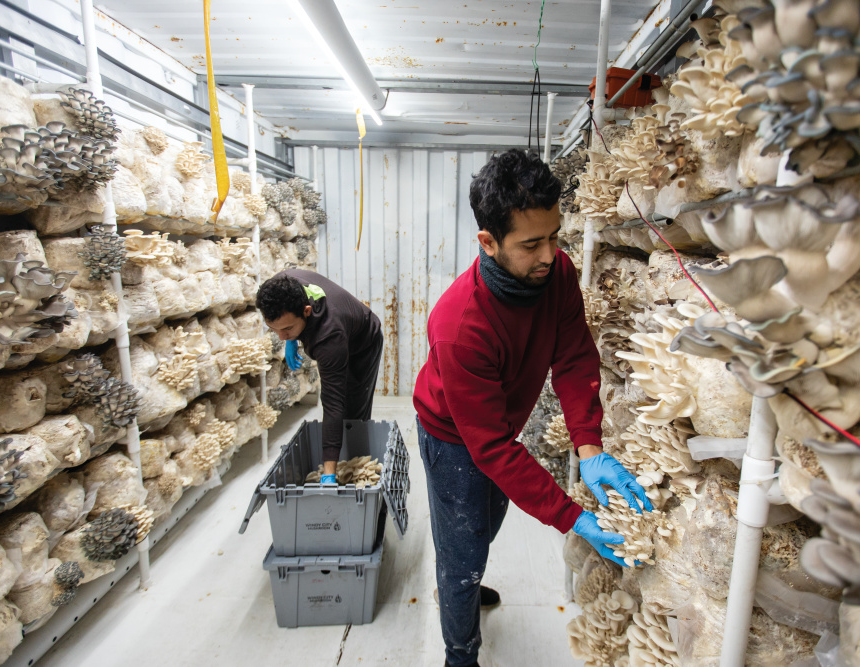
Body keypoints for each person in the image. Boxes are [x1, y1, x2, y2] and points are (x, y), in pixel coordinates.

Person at [413, 149, 651, 667]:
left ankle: (463, 578)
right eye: (531, 244)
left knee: (488, 519)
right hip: (453, 435)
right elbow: (491, 448)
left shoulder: (556, 274)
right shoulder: (461, 327)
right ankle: (459, 650)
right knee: (463, 550)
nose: (549, 254)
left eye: (555, 236)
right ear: (488, 242)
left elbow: (573, 357)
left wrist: (590, 450)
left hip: (499, 425)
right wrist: (572, 517)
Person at [257, 269, 383, 482]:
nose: (280, 335)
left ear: (306, 311)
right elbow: (285, 318)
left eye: (287, 328)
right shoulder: (280, 286)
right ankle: (337, 460)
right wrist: (290, 338)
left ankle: (354, 465)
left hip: (363, 344)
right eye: (273, 329)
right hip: (336, 328)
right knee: (342, 413)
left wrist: (328, 475)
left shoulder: (328, 337)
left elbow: (333, 403)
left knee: (352, 412)